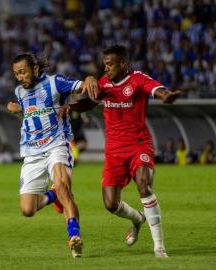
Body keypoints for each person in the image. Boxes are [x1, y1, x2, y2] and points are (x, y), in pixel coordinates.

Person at [70, 45, 181, 257]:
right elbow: (79, 103)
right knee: (110, 204)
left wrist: (166, 96)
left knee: (144, 185)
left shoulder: (138, 79)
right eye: (105, 64)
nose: (106, 68)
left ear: (123, 64)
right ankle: (138, 219)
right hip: (113, 151)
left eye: (110, 64)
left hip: (139, 144)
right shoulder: (102, 83)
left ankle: (159, 246)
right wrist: (87, 81)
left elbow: (157, 89)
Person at [6, 52, 97, 258]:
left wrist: (90, 80)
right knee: (27, 209)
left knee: (64, 188)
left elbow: (81, 86)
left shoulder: (55, 83)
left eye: (23, 72)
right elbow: (29, 108)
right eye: (16, 74)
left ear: (35, 69)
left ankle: (74, 235)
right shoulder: (20, 91)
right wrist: (15, 108)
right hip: (31, 153)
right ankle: (52, 194)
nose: (19, 77)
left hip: (57, 144)